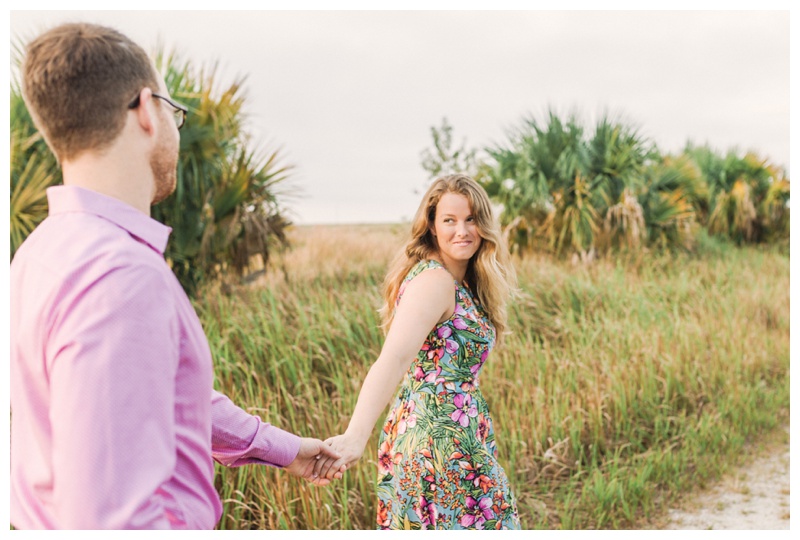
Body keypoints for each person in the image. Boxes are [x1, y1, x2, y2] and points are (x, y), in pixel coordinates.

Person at [10, 22, 344, 530]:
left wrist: (286, 449)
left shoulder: (41, 251)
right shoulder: (120, 278)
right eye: (175, 112)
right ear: (147, 110)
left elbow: (158, 397)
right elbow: (110, 519)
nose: (176, 127)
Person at [315, 174, 521, 529]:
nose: (463, 230)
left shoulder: (460, 283)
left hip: (454, 436)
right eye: (450, 220)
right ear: (432, 226)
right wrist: (355, 435)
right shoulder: (435, 282)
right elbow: (393, 359)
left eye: (471, 219)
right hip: (436, 442)